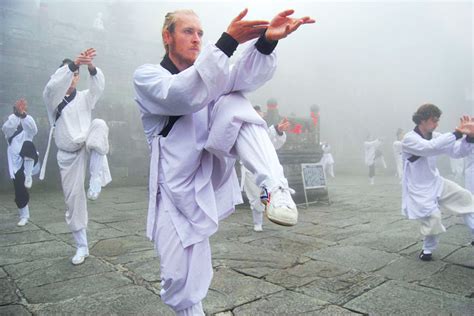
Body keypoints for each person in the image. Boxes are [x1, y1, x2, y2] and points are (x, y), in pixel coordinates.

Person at [133, 8, 314, 315]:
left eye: (200, 33)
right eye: (188, 32)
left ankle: (275, 187)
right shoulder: (149, 77)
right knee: (179, 281)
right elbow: (181, 94)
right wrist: (227, 41)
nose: (196, 39)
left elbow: (240, 74)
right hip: (172, 192)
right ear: (168, 37)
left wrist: (267, 42)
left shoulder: (212, 74)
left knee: (235, 103)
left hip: (207, 176)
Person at [42, 48, 111, 265]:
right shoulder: (52, 100)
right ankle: (82, 246)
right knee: (73, 202)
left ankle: (95, 179)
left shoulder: (84, 98)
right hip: (67, 154)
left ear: (78, 77)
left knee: (99, 125)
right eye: (68, 73)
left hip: (87, 147)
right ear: (62, 74)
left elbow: (98, 87)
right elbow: (52, 86)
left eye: (75, 74)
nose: (71, 78)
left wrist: (90, 67)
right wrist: (73, 64)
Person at [401, 104, 474, 261]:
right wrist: (456, 133)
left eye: (437, 120)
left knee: (465, 197)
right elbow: (428, 148)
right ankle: (427, 250)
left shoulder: (436, 136)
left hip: (436, 182)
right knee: (433, 218)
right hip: (419, 188)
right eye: (433, 120)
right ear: (422, 120)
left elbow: (457, 152)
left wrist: (469, 137)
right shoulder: (409, 139)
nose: (436, 124)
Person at [241, 106, 290, 232]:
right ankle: (258, 222)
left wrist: (278, 130)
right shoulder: (243, 129)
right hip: (250, 169)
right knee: (255, 198)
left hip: (266, 168)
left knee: (268, 192)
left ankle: (273, 208)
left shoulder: (264, 131)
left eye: (259, 114)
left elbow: (273, 142)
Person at [2, 98, 39, 226]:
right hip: (16, 163)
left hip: (29, 159)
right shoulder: (10, 127)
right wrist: (17, 115)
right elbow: (6, 129)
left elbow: (34, 130)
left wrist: (23, 115)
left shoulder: (27, 123)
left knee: (28, 144)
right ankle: (24, 216)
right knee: (19, 190)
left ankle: (29, 176)